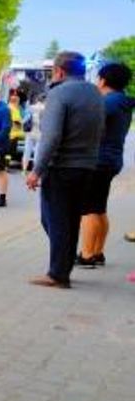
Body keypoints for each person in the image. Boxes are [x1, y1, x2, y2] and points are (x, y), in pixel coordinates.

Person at [25, 51, 105, 288]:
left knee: (54, 219)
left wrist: (36, 170)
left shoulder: (58, 93)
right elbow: (101, 131)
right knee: (70, 220)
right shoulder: (95, 93)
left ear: (59, 71)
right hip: (87, 166)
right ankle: (64, 266)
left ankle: (58, 274)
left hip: (61, 168)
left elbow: (51, 136)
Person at [76, 62, 133, 267]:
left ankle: (87, 254)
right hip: (112, 160)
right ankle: (98, 252)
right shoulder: (123, 102)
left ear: (103, 80)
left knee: (89, 209)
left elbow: (86, 126)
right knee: (99, 208)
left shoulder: (107, 103)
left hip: (98, 161)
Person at [22, 94, 43, 174]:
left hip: (30, 132)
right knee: (37, 153)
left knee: (27, 150)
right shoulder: (46, 109)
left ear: (37, 99)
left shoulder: (30, 108)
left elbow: (24, 120)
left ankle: (24, 170)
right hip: (40, 133)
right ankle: (34, 171)